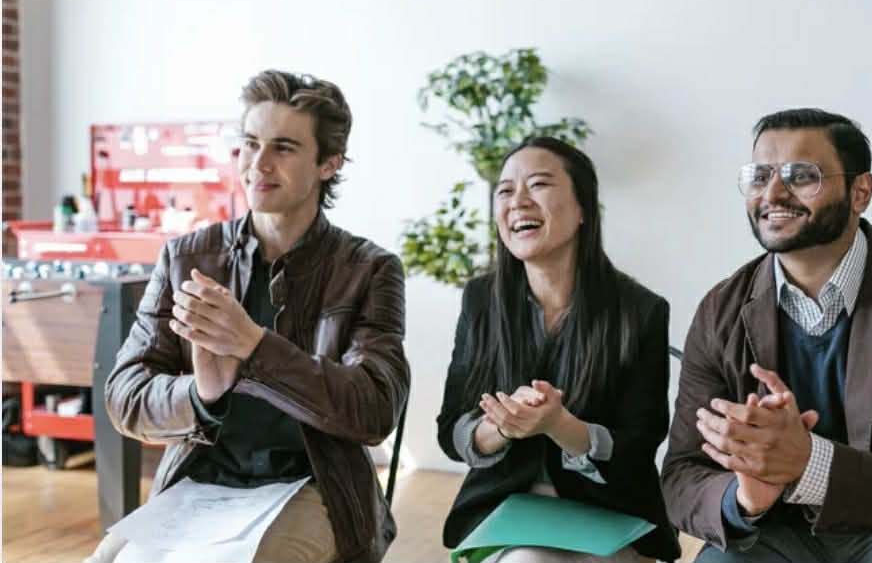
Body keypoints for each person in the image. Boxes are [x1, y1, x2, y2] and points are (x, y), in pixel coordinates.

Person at [88, 70, 410, 563]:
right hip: (203, 479)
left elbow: (374, 409)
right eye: (250, 144)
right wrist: (201, 395)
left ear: (329, 163)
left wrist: (256, 348)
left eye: (283, 148)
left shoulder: (369, 269)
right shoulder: (187, 257)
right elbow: (123, 394)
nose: (258, 164)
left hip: (314, 482)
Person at [662, 108, 872, 563]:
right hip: (774, 535)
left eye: (801, 176)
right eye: (760, 176)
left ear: (860, 192)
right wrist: (743, 500)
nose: (773, 193)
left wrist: (810, 464)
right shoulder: (720, 310)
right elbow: (682, 475)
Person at [436, 137, 681, 563]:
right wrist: (501, 428)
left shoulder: (641, 311)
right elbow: (451, 429)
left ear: (583, 208)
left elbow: (640, 444)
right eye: (505, 190)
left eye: (538, 185)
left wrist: (560, 425)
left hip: (610, 513)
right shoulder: (480, 300)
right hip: (504, 513)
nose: (518, 201)